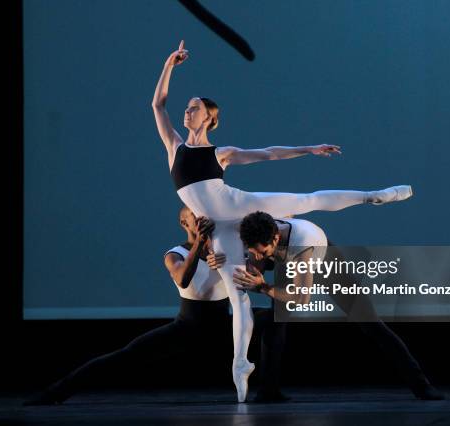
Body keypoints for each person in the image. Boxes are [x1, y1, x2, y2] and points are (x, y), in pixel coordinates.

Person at [152, 40, 414, 401]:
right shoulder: (174, 147)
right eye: (187, 107)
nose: (187, 111)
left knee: (306, 201)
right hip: (224, 228)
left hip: (239, 206)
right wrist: (169, 65)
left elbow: (268, 154)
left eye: (194, 108)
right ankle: (241, 366)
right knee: (238, 293)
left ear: (210, 118)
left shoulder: (220, 153)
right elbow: (158, 104)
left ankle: (375, 195)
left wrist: (308, 149)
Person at [23, 207, 285, 405]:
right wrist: (199, 246)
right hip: (188, 326)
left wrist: (239, 263)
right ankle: (53, 393)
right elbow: (183, 277)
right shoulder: (176, 254)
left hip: (223, 325)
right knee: (124, 356)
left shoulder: (224, 250)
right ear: (185, 223)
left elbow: (257, 266)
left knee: (275, 317)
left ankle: (269, 391)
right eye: (197, 217)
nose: (204, 221)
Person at [233, 211, 445, 400]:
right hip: (283, 258)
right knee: (274, 321)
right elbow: (259, 252)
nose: (256, 256)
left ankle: (422, 387)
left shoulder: (302, 247)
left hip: (325, 261)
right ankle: (268, 391)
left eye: (261, 251)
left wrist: (262, 287)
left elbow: (301, 299)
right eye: (253, 251)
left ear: (275, 238)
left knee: (370, 322)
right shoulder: (257, 228)